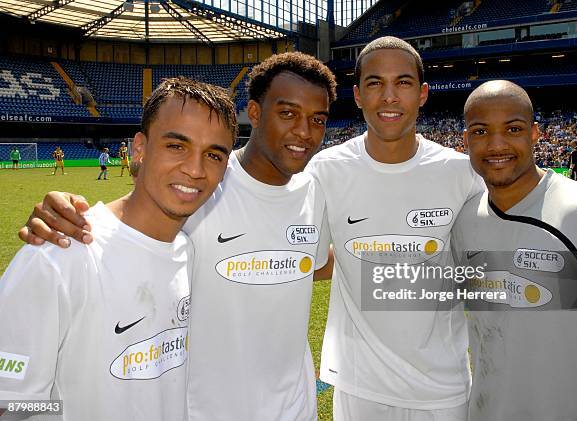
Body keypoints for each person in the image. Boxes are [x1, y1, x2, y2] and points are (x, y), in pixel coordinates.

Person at [16, 52, 337, 421]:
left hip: (296, 409)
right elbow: (133, 224)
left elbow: (312, 264)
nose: (303, 131)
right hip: (206, 410)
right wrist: (66, 214)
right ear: (257, 112)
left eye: (317, 119)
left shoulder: (316, 191)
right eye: (288, 113)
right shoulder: (203, 185)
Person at [0, 77, 237, 420]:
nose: (195, 169)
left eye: (213, 154)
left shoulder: (189, 252)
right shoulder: (60, 253)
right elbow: (9, 404)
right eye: (176, 146)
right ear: (138, 148)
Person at [307, 36, 481, 420]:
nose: (389, 96)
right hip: (359, 384)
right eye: (375, 83)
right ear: (356, 94)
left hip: (443, 387)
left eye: (402, 83)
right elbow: (315, 261)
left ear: (422, 94)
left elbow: (482, 264)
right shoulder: (326, 170)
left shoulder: (461, 173)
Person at [452, 80, 577, 420]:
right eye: (480, 131)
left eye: (513, 129)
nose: (496, 144)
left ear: (535, 134)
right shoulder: (463, 222)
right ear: (466, 141)